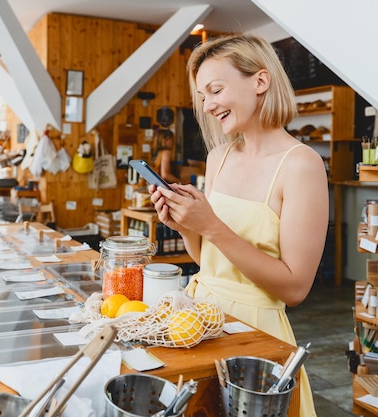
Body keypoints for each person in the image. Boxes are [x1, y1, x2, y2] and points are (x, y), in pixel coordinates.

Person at [149, 33, 328, 417]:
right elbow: (207, 260)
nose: (208, 105)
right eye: (203, 96)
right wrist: (184, 225)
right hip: (198, 319)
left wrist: (211, 226)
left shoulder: (301, 165)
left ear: (260, 82)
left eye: (215, 90)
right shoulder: (219, 158)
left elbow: (295, 288)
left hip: (256, 336)